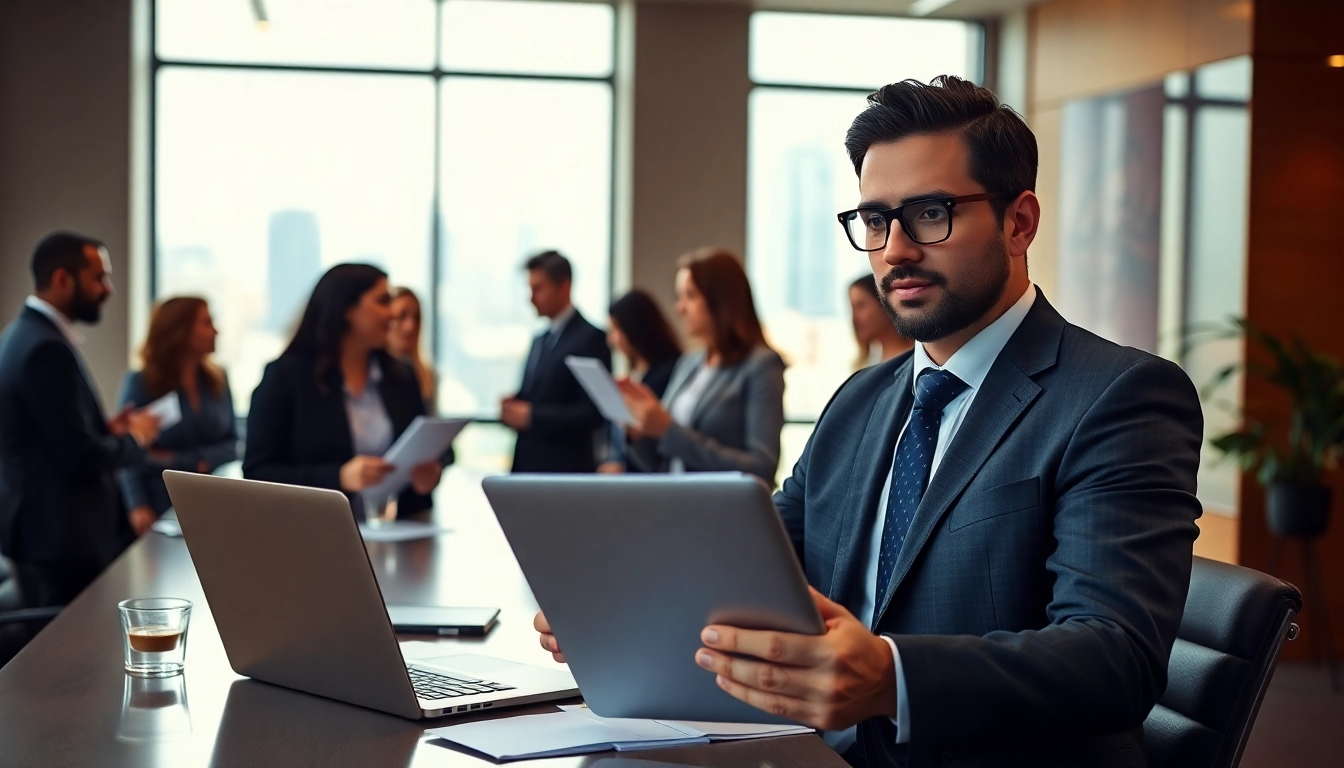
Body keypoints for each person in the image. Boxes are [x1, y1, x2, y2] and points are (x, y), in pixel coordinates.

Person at [536, 76, 1202, 767]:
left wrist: (894, 677)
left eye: (932, 213)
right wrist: (621, 605)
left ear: (1019, 222)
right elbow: (757, 556)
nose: (895, 250)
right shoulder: (860, 401)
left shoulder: (1119, 396)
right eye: (876, 220)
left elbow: (1114, 656)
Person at [0, 232, 160, 608]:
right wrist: (135, 439)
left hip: (43, 534)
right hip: (61, 541)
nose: (109, 289)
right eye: (99, 277)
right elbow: (79, 457)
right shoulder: (47, 348)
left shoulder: (21, 335)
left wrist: (107, 430)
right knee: (63, 661)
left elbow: (48, 435)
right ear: (61, 279)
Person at [244, 264, 448, 522]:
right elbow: (257, 472)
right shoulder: (286, 377)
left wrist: (427, 477)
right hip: (314, 537)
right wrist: (339, 477)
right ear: (347, 310)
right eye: (383, 301)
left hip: (396, 540)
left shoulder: (401, 377)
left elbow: (420, 461)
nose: (393, 314)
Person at [620, 248, 785, 485]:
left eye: (690, 295)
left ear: (721, 299)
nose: (680, 308)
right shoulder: (689, 363)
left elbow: (760, 467)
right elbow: (662, 465)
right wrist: (640, 433)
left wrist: (668, 431)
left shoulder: (761, 366)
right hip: (674, 505)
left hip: (719, 513)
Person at [117, 297, 238, 529]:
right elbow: (129, 451)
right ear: (180, 330)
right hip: (159, 505)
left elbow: (233, 443)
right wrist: (137, 505)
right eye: (206, 323)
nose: (215, 331)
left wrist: (187, 460)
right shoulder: (142, 383)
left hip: (211, 504)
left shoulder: (218, 381)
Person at [502, 251, 611, 473]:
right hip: (527, 467)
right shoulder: (539, 341)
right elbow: (535, 397)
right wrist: (515, 406)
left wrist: (533, 416)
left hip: (564, 471)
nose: (531, 297)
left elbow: (594, 412)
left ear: (564, 287)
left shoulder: (590, 338)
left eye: (538, 288)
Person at [596, 289, 682, 474]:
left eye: (616, 330)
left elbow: (658, 444)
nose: (611, 340)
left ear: (635, 328)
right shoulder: (636, 374)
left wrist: (623, 466)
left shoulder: (671, 374)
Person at [388, 287, 436, 414]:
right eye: (402, 316)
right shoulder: (375, 375)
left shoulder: (427, 375)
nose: (410, 326)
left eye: (416, 318)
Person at [850, 274, 912, 368]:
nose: (854, 318)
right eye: (853, 308)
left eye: (861, 306)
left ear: (885, 305)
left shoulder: (915, 364)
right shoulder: (870, 365)